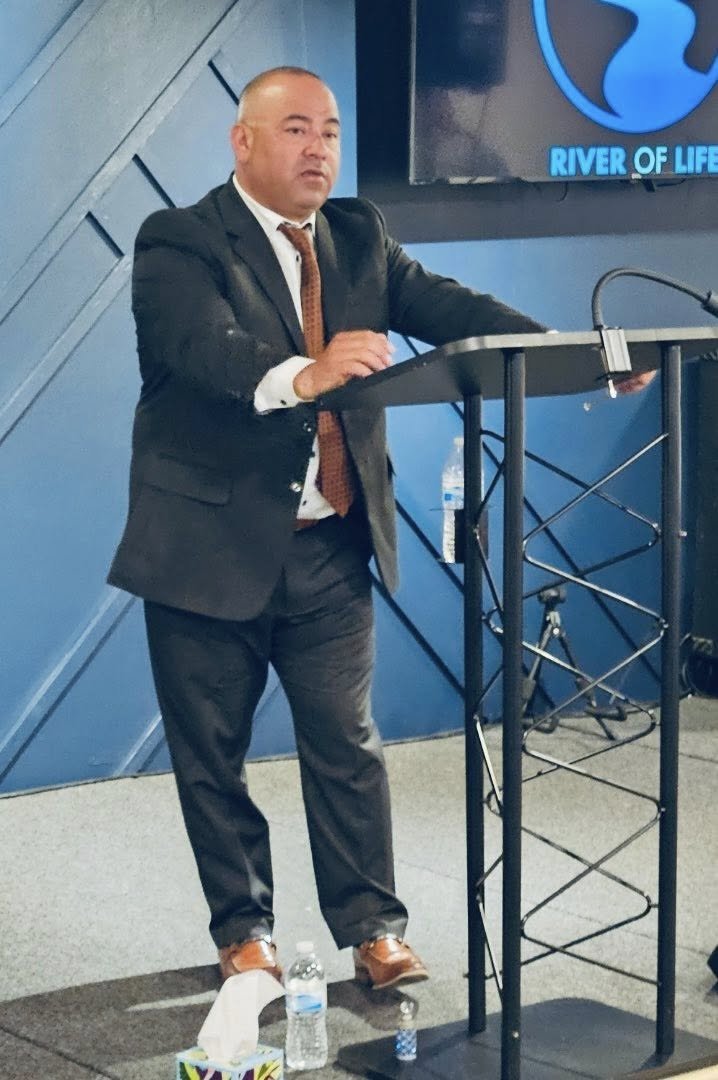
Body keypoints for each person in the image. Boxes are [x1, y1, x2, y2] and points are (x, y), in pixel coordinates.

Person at [107, 66, 651, 990]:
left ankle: (372, 929)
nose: (319, 148)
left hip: (331, 542)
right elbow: (198, 349)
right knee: (214, 760)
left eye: (329, 132)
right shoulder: (180, 238)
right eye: (295, 130)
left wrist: (576, 356)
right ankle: (245, 932)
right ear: (243, 141)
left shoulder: (357, 234)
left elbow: (452, 312)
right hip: (205, 549)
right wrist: (304, 373)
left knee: (347, 746)